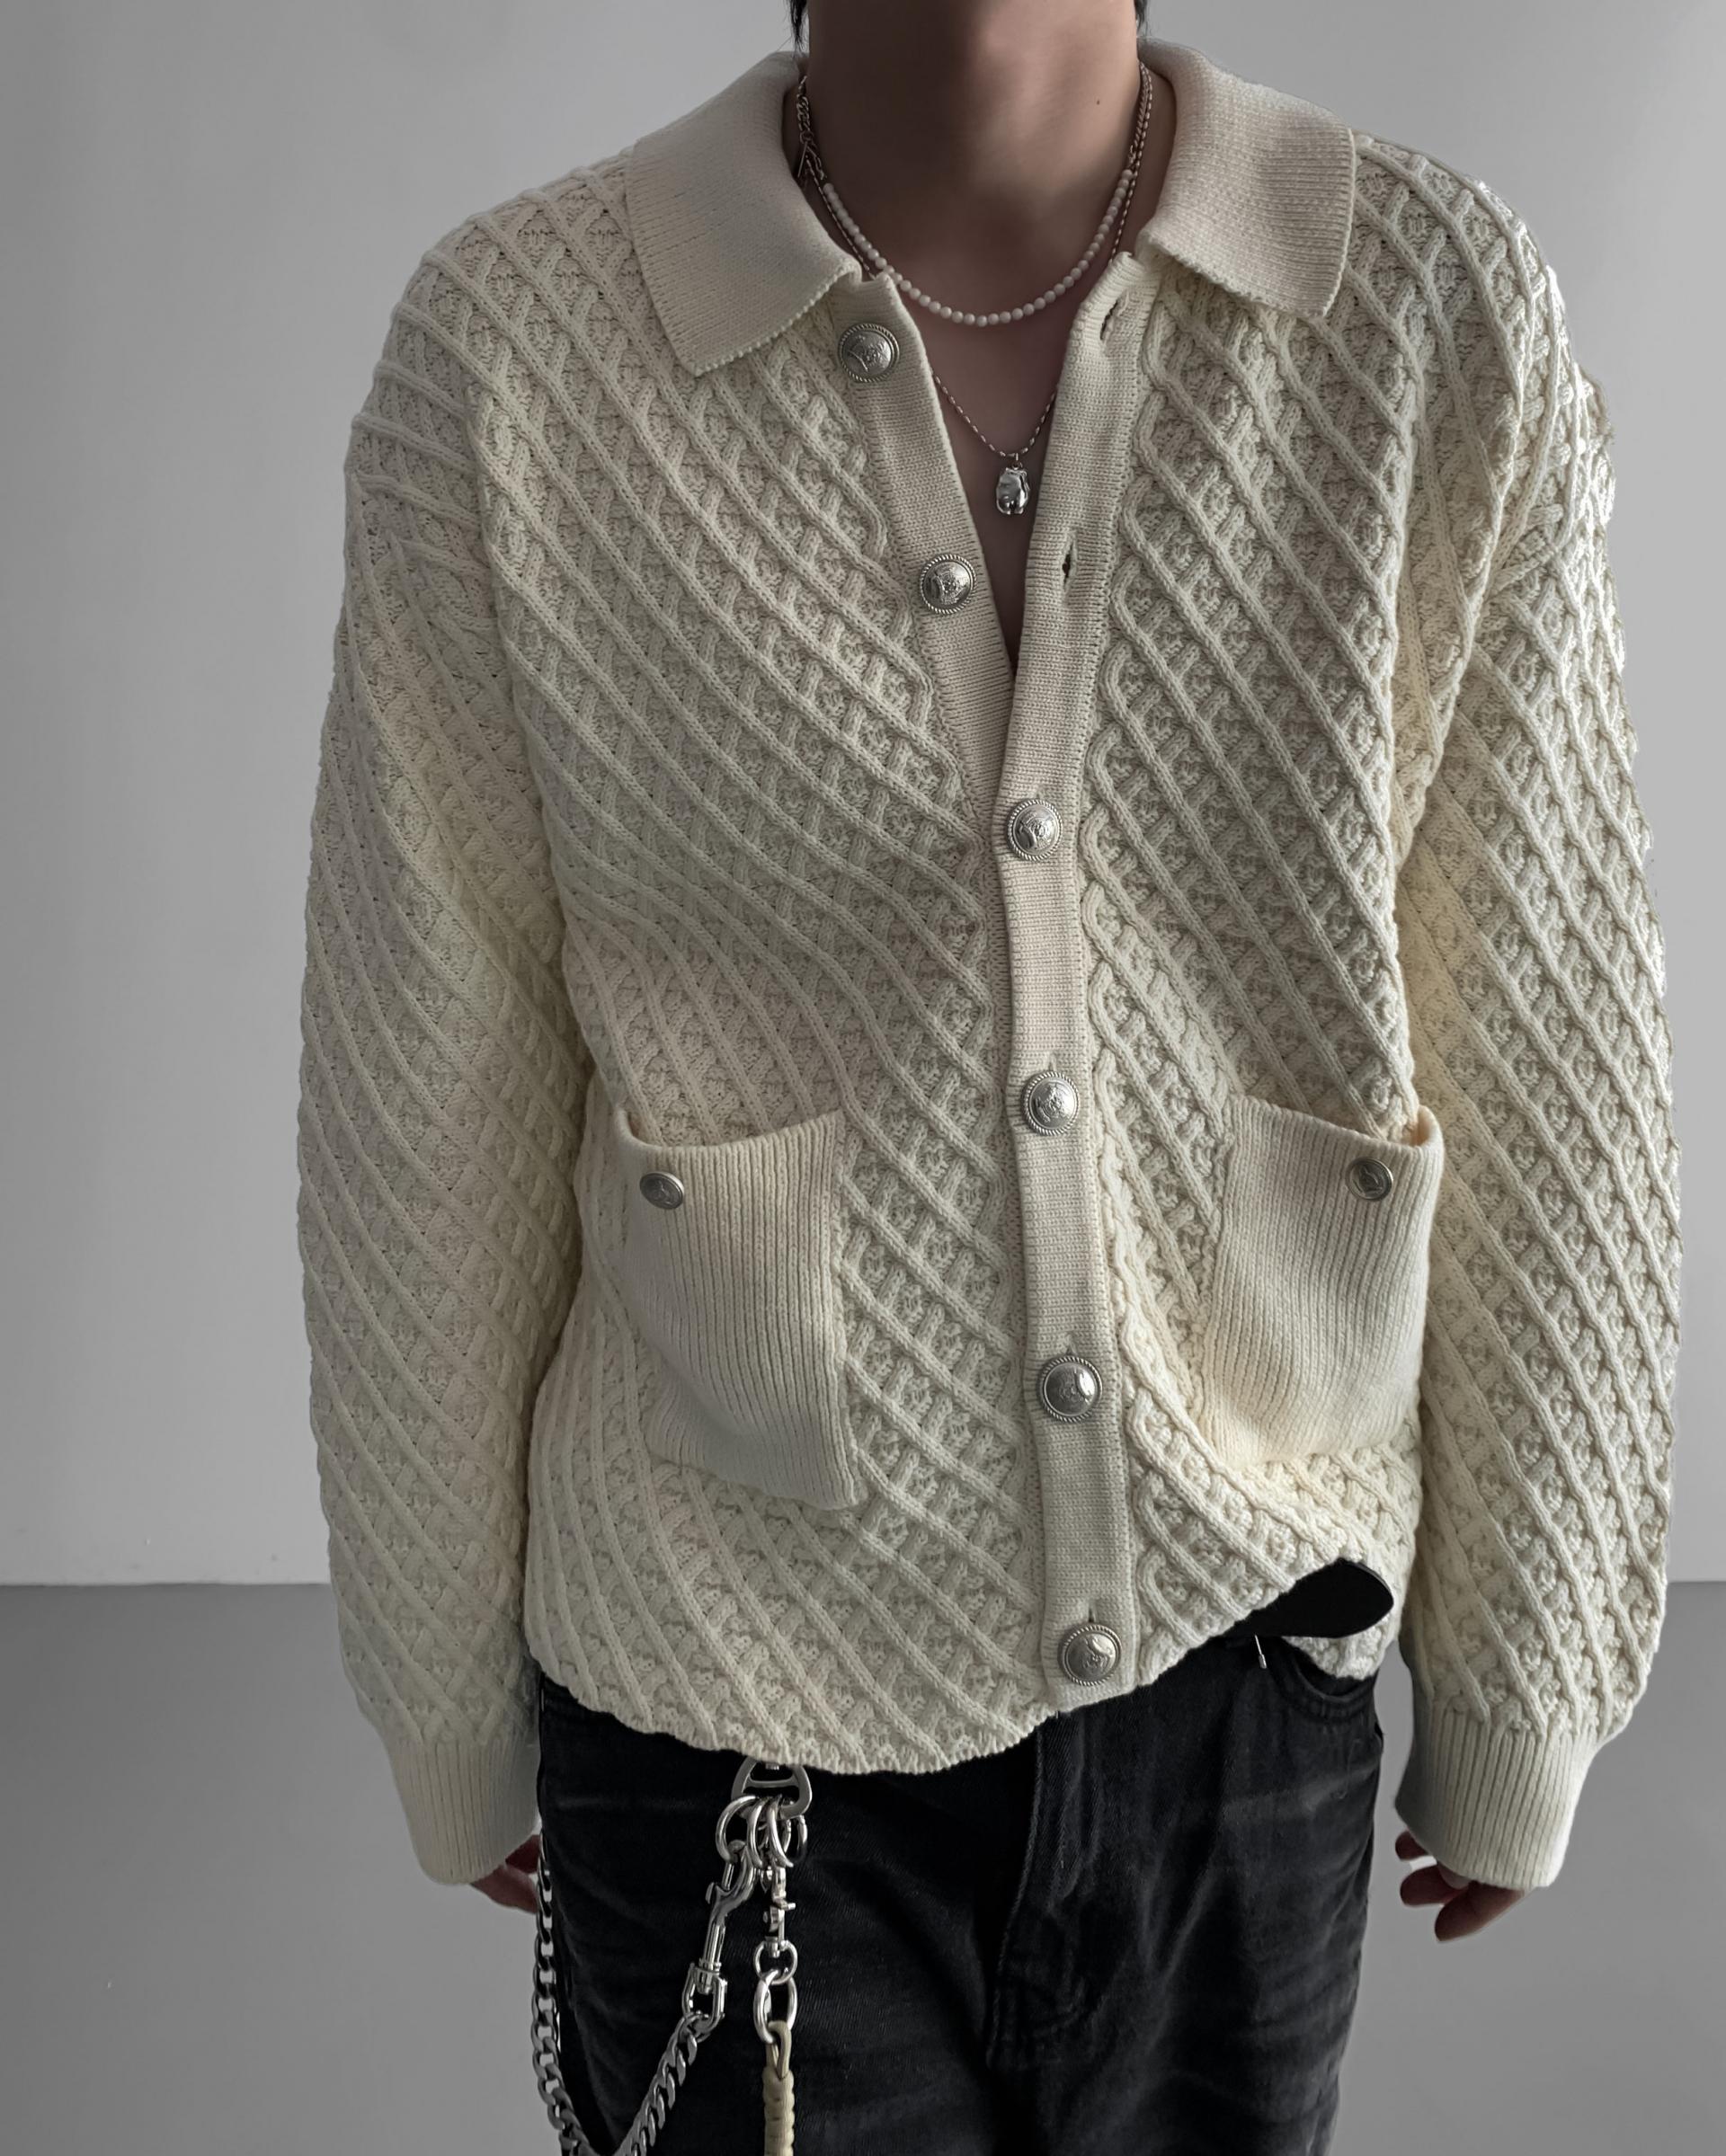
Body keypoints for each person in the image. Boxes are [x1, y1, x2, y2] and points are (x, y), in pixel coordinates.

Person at [293, 3, 1683, 2150]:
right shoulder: (520, 352)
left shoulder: (1420, 304)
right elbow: (422, 1068)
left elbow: (1548, 1007)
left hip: (1253, 1663)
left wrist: (1530, 1669)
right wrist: (442, 1686)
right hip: (730, 1707)